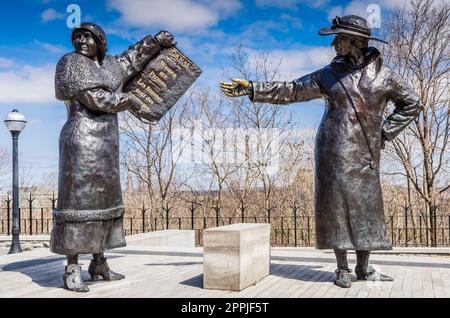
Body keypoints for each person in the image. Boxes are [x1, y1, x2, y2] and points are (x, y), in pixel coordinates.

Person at [220, 15, 423, 288]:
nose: (333, 43)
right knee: (336, 205)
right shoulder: (328, 75)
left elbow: (413, 103)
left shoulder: (386, 77)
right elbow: (292, 90)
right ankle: (341, 268)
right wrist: (254, 88)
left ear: (357, 41)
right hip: (333, 149)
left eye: (339, 38)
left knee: (367, 206)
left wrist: (385, 133)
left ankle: (363, 268)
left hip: (366, 153)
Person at [52, 23, 176, 292]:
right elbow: (96, 99)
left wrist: (156, 41)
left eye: (87, 37)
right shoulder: (71, 64)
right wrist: (130, 100)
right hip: (81, 141)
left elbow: (133, 58)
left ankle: (98, 264)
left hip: (107, 144)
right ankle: (72, 268)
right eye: (77, 37)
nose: (81, 41)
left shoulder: (110, 64)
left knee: (104, 201)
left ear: (100, 41)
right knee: (78, 203)